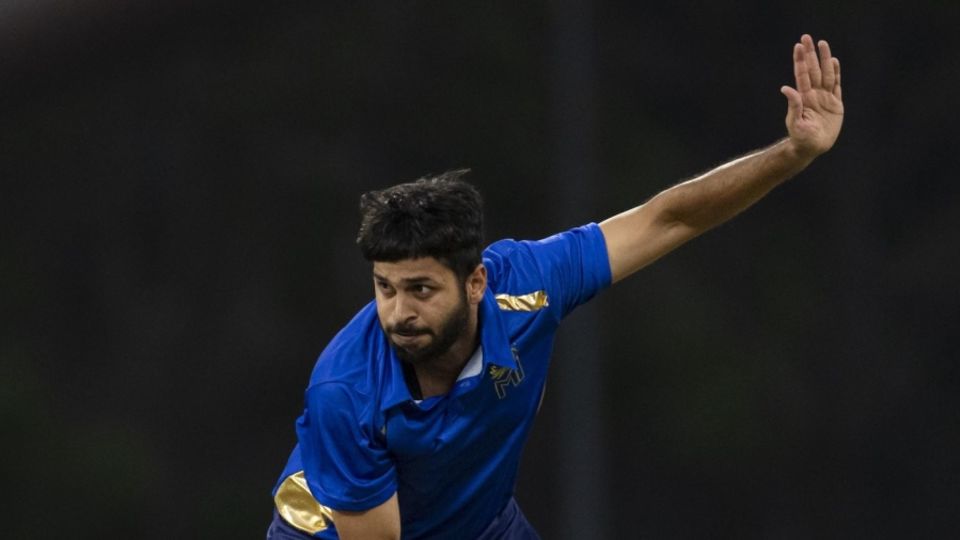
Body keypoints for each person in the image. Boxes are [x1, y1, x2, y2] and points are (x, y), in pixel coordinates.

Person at [266, 34, 844, 539]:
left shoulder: (529, 285)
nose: (398, 313)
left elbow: (668, 218)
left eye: (420, 290)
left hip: (480, 525)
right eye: (385, 288)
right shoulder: (345, 391)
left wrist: (793, 154)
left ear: (476, 282)